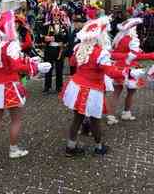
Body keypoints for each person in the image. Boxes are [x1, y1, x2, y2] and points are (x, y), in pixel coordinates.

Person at [0, 1, 51, 162]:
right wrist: (36, 66)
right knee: (16, 119)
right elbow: (16, 66)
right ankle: (13, 149)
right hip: (10, 84)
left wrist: (29, 60)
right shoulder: (11, 44)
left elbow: (7, 62)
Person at [61, 16, 145, 156]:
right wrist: (129, 72)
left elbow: (73, 63)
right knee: (95, 120)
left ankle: (70, 147)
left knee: (77, 119)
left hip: (76, 86)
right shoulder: (100, 52)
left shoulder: (79, 48)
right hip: (91, 90)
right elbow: (111, 72)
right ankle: (99, 147)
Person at [109, 17, 154, 122]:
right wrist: (151, 55)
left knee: (116, 92)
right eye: (135, 27)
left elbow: (115, 53)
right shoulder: (133, 39)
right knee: (131, 92)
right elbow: (135, 56)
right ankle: (126, 113)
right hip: (131, 69)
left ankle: (110, 116)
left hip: (118, 67)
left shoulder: (118, 38)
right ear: (132, 28)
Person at [42, 4, 69, 93]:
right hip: (49, 49)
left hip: (59, 50)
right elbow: (40, 36)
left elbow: (66, 38)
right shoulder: (46, 25)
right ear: (52, 15)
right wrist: (45, 39)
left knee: (59, 69)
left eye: (58, 15)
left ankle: (59, 86)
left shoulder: (64, 26)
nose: (56, 17)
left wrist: (54, 38)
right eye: (54, 15)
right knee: (48, 68)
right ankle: (47, 86)